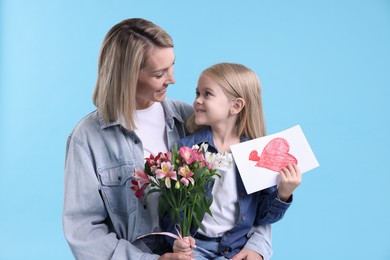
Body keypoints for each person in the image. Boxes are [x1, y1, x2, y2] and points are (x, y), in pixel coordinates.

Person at [63, 18, 195, 259]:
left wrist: (257, 244)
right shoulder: (87, 138)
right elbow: (84, 233)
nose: (172, 79)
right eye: (159, 73)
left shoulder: (188, 119)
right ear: (128, 75)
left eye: (172, 66)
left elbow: (239, 187)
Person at [164, 63, 302, 260]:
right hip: (195, 249)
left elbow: (263, 217)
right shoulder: (186, 150)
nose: (198, 101)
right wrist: (176, 241)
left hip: (236, 250)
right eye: (197, 93)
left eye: (207, 94)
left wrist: (283, 194)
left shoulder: (255, 155)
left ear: (236, 106)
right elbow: (173, 207)